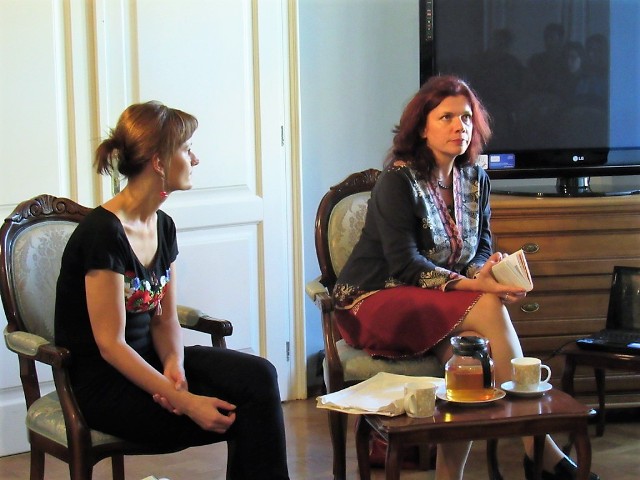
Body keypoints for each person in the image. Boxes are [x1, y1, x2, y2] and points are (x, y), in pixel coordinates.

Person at [332, 76, 598, 480]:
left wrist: (491, 273)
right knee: (486, 305)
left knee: (470, 362)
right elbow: (406, 266)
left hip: (439, 306)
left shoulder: (475, 179)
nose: (460, 126)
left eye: (467, 117)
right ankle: (540, 451)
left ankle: (451, 475)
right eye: (447, 117)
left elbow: (479, 249)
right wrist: (482, 288)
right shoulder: (396, 182)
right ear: (422, 127)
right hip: (374, 299)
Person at [54, 101, 290, 479]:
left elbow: (164, 320)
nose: (195, 159)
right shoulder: (103, 233)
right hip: (104, 384)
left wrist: (174, 368)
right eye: (186, 148)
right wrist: (185, 400)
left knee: (258, 376)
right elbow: (110, 345)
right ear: (159, 161)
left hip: (151, 362)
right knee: (244, 409)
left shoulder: (163, 225)